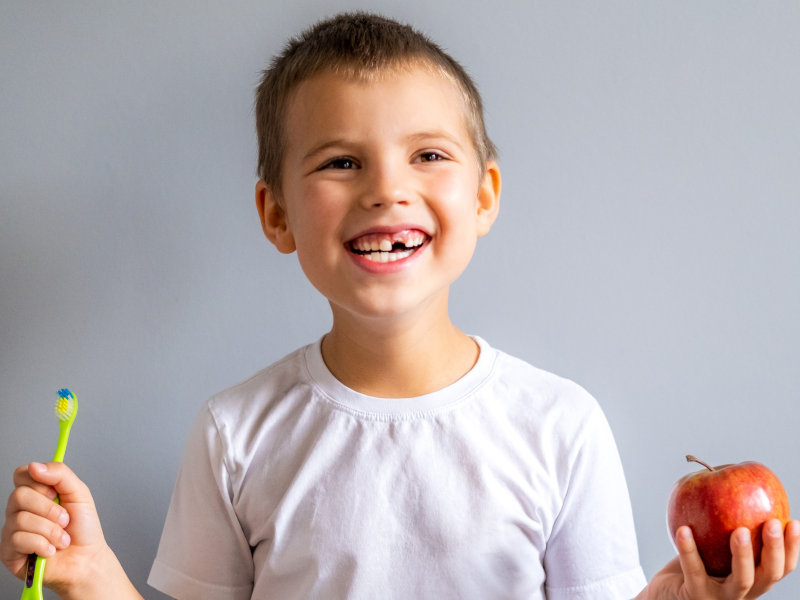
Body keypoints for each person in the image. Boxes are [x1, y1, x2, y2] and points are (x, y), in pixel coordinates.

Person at [2, 12, 798, 600]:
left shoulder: (562, 425)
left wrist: (684, 599)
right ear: (276, 214)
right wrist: (95, 579)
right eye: (342, 161)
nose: (387, 189)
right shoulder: (233, 432)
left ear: (484, 194)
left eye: (428, 155)